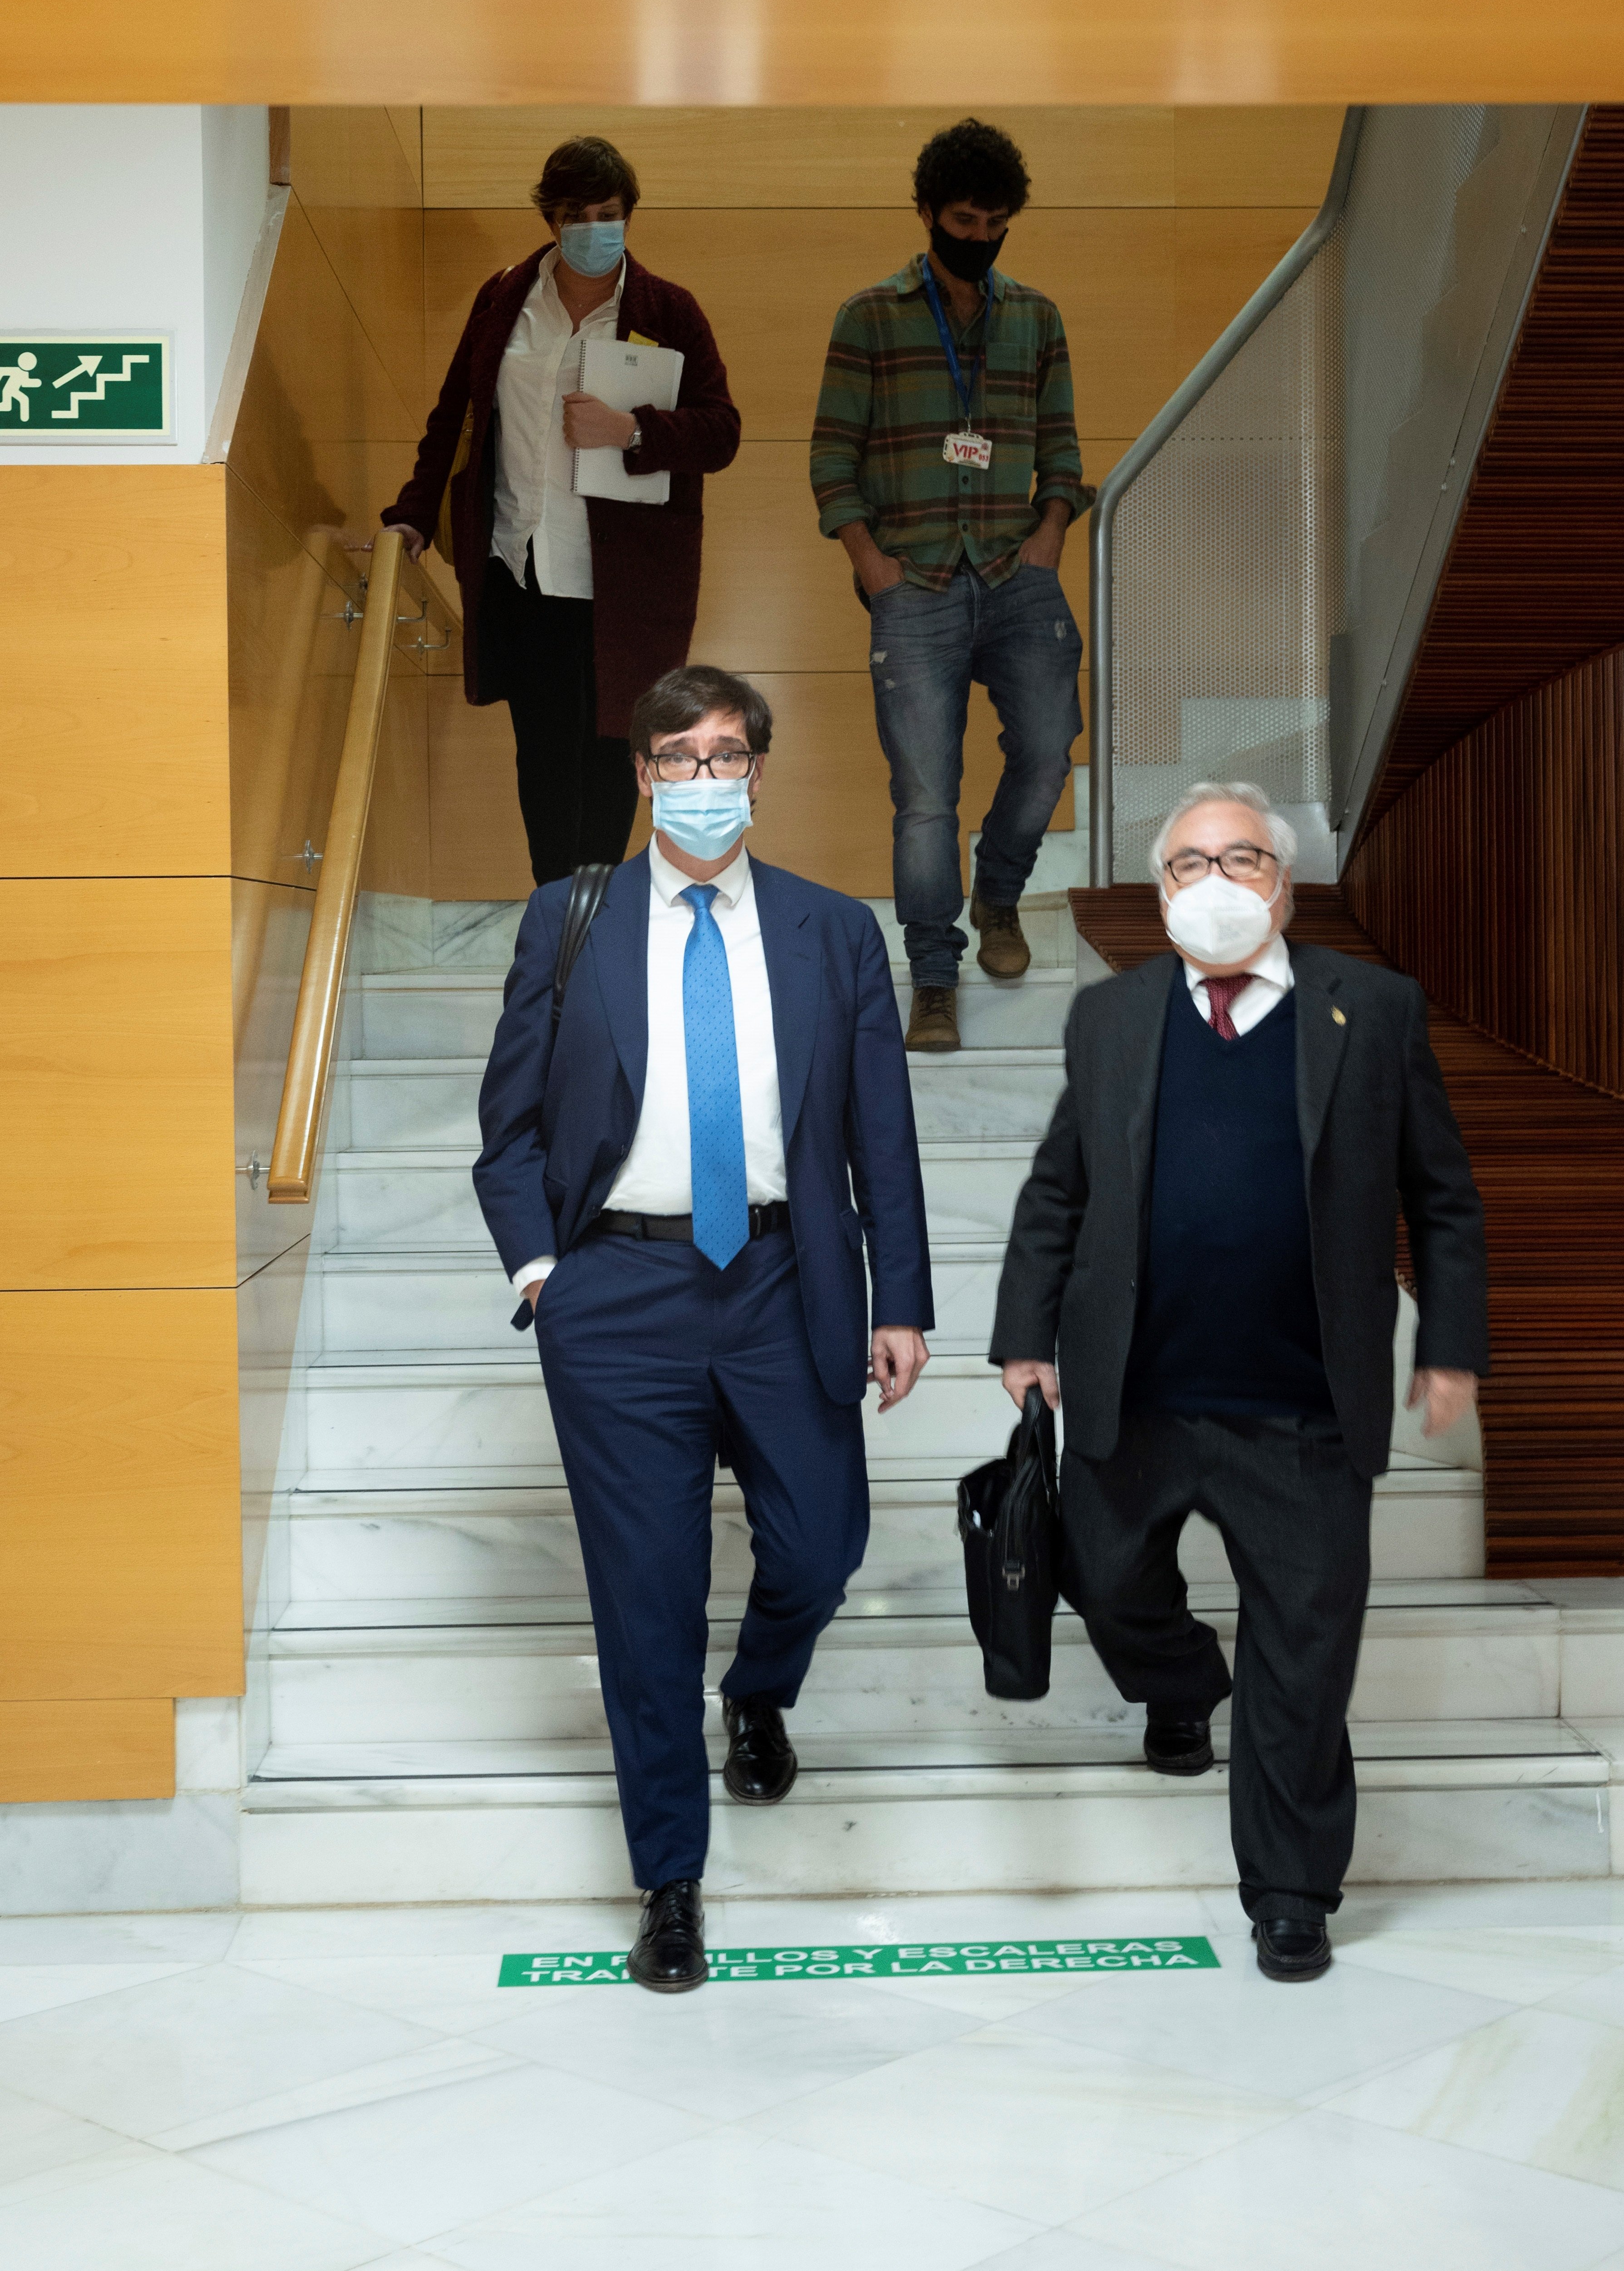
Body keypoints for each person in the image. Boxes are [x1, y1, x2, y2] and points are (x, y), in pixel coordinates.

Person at [473, 663, 934, 1991]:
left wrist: (897, 1295)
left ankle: (760, 1684)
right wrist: (541, 1270)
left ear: (758, 770)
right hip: (617, 1297)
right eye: (678, 756)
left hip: (788, 1279)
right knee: (645, 1598)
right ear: (642, 774)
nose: (704, 778)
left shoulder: (833, 930)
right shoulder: (570, 919)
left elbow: (879, 1141)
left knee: (822, 1536)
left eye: (727, 753)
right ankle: (669, 1879)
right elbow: (505, 1131)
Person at [991, 781, 1488, 1984]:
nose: (1212, 883)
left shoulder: (1369, 1008)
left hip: (1303, 1409)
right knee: (1106, 1586)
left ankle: (1289, 1890)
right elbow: (1060, 1186)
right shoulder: (1108, 1018)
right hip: (1136, 1394)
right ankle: (1181, 1682)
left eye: (1241, 858)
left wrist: (1450, 1345)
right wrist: (1025, 1330)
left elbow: (1443, 1196)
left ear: (1286, 881)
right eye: (1186, 865)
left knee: (1305, 1658)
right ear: (1160, 891)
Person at [385, 133, 741, 885]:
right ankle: (561, 934)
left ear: (628, 216)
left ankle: (593, 932)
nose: (592, 229)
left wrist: (635, 430)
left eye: (608, 213)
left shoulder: (668, 310)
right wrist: (413, 513)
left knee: (613, 764)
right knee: (545, 768)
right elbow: (455, 415)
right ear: (550, 218)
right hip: (525, 569)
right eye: (575, 214)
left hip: (624, 587)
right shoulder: (504, 298)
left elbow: (722, 432)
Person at [810, 118, 1092, 1053]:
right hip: (916, 582)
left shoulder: (1036, 318)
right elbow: (830, 460)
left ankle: (998, 898)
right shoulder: (871, 317)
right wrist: (873, 568)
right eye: (963, 218)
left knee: (1050, 750)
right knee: (925, 796)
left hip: (1017, 572)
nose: (978, 236)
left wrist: (1050, 533)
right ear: (927, 212)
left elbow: (1059, 449)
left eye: (995, 220)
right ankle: (933, 971)